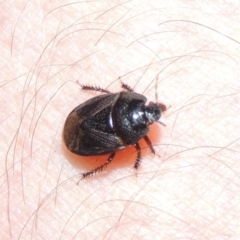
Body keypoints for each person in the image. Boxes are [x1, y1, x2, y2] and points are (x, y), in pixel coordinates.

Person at [1, 1, 239, 239]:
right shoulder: (134, 132)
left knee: (108, 105)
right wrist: (144, 156)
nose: (150, 113)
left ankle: (86, 160)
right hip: (98, 131)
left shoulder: (128, 104)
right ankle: (87, 174)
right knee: (114, 154)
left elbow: (124, 103)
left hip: (90, 121)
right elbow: (137, 148)